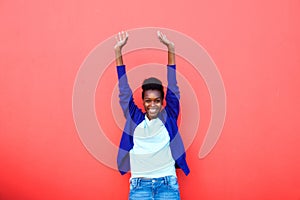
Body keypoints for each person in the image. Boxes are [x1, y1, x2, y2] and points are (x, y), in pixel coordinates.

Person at [114, 30, 190, 200]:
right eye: (148, 100)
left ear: (162, 101)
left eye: (157, 100)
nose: (152, 104)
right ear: (143, 101)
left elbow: (173, 87)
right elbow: (124, 91)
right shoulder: (135, 118)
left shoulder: (169, 117)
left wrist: (171, 49)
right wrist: (118, 52)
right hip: (140, 185)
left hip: (167, 184)